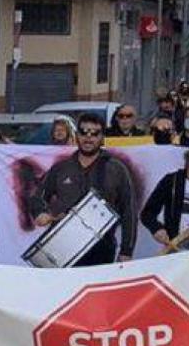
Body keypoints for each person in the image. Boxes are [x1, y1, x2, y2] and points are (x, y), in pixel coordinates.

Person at [34, 113, 137, 266]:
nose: (89, 137)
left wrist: (126, 251)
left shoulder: (116, 169)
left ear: (102, 137)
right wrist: (40, 212)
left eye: (95, 133)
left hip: (102, 248)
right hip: (63, 247)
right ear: (76, 136)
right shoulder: (61, 168)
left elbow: (129, 211)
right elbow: (37, 197)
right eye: (84, 132)